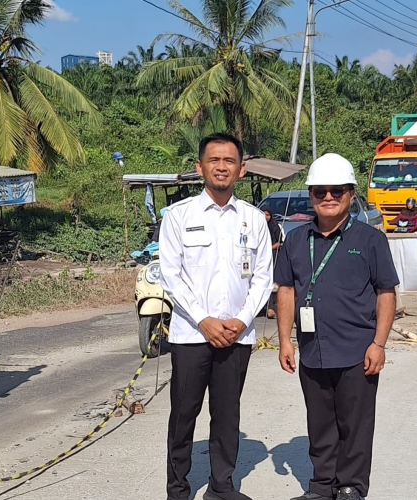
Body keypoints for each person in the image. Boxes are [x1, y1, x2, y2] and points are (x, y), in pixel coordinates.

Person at [275, 153, 400, 500]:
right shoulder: (295, 240)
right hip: (312, 349)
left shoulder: (370, 240)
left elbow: (386, 292)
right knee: (319, 423)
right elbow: (285, 290)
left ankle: (351, 487)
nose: (328, 197)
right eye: (320, 191)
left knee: (355, 424)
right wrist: (285, 340)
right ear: (311, 195)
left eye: (337, 191)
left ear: (350, 194)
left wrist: (379, 344)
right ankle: (322, 485)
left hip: (357, 351)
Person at [158, 133, 274, 500]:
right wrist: (204, 320)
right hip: (191, 336)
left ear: (241, 169)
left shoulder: (253, 219)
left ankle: (222, 487)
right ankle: (178, 489)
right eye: (214, 160)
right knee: (183, 415)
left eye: (229, 161)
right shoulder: (178, 216)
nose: (221, 167)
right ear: (199, 167)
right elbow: (170, 275)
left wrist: (241, 320)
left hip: (236, 337)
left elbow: (262, 277)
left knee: (227, 415)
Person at [261, 205, 283, 319]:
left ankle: (271, 307)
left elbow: (279, 242)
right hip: (259, 257)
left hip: (272, 255)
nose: (265, 217)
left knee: (272, 281)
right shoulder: (256, 225)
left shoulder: (274, 226)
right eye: (263, 214)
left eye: (267, 214)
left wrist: (268, 249)